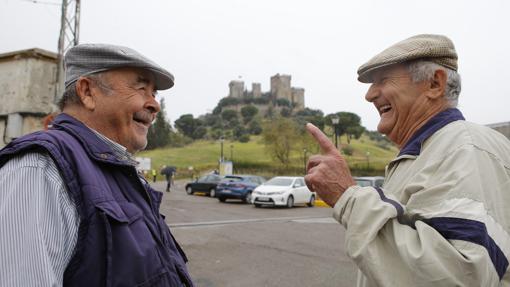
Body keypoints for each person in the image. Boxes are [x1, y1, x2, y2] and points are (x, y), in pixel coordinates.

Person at [304, 34, 510, 286]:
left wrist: (348, 197)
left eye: (383, 80)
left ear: (435, 83)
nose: (369, 95)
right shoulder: (432, 149)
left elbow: (461, 276)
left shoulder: (464, 146)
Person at [0, 44, 194, 286]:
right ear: (87, 91)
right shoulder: (39, 168)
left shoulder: (118, 169)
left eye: (154, 93)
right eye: (141, 87)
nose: (154, 104)